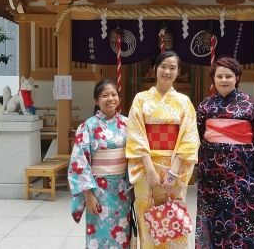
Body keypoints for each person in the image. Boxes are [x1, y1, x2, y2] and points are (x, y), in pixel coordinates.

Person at [195, 56, 254, 248]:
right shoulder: (205, 106)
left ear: (237, 77)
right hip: (212, 179)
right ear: (213, 79)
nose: (223, 80)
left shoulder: (251, 105)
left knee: (245, 223)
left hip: (245, 176)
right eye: (219, 76)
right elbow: (195, 137)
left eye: (228, 76)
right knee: (214, 225)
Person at [126, 51, 200, 248]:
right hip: (145, 168)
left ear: (178, 71)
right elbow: (136, 134)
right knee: (146, 217)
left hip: (174, 170)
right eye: (163, 67)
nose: (167, 71)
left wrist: (175, 170)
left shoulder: (184, 101)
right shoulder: (141, 99)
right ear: (155, 69)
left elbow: (189, 137)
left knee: (173, 220)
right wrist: (149, 170)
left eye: (172, 68)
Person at [68, 79, 132, 249]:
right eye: (105, 95)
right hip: (98, 190)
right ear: (96, 100)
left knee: (122, 234)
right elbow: (79, 163)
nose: (110, 98)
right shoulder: (88, 126)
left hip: (121, 189)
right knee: (99, 235)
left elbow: (135, 155)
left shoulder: (127, 124)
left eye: (114, 94)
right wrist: (88, 195)